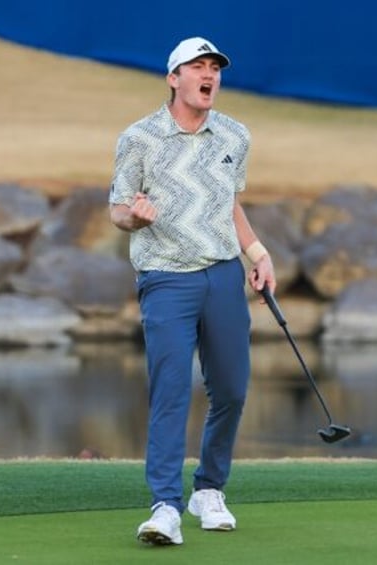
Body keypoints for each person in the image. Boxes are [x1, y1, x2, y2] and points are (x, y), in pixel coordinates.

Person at [109, 36, 277, 546]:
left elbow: (228, 204)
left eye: (214, 68)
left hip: (223, 274)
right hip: (165, 278)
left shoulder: (234, 135)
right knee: (171, 390)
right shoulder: (139, 138)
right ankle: (165, 505)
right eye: (197, 67)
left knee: (230, 388)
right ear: (174, 78)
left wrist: (258, 253)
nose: (209, 76)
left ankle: (209, 489)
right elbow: (118, 209)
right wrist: (133, 219)